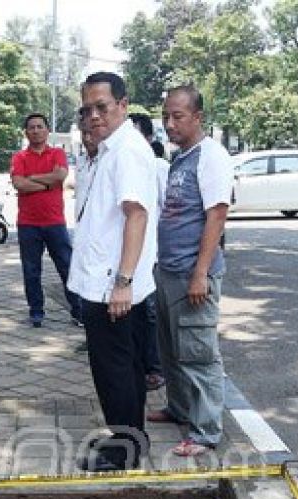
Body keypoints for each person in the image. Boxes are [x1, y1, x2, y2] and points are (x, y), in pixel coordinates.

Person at [69, 71, 158, 471]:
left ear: (123, 105)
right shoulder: (112, 148)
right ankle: (132, 439)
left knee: (115, 369)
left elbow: (135, 214)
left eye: (102, 107)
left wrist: (122, 281)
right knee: (127, 366)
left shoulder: (126, 151)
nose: (94, 116)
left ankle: (124, 450)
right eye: (87, 109)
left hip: (112, 285)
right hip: (107, 280)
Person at [148, 86, 232, 458]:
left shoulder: (211, 156)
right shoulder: (182, 158)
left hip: (192, 274)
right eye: (166, 116)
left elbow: (217, 214)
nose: (169, 124)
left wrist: (200, 273)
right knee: (171, 350)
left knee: (198, 353)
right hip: (169, 272)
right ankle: (180, 409)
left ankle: (205, 431)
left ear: (198, 117)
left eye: (177, 116)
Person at [10, 112, 80, 328]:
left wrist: (32, 179)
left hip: (55, 222)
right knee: (31, 271)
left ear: (47, 130)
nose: (36, 130)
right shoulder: (19, 157)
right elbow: (19, 185)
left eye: (40, 126)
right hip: (28, 224)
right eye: (32, 127)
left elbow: (61, 176)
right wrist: (48, 183)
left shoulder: (57, 153)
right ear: (26, 132)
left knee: (67, 267)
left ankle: (78, 312)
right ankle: (36, 312)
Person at [128, 113, 167, 391]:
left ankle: (155, 368)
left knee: (150, 312)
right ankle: (138, 364)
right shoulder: (117, 161)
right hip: (128, 256)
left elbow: (166, 211)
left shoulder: (159, 167)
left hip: (152, 253)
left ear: (150, 139)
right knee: (136, 313)